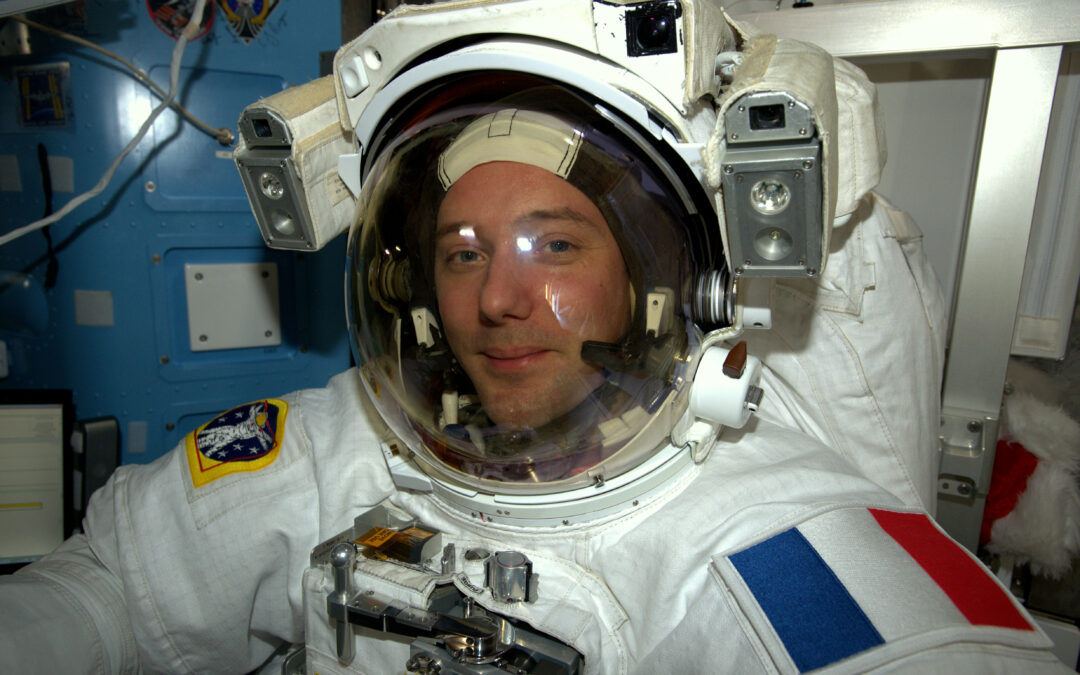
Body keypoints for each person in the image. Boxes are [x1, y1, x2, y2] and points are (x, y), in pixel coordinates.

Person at [0, 1, 1068, 673]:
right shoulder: (344, 447)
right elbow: (111, 591)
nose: (499, 300)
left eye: (554, 246)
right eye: (462, 252)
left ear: (653, 285)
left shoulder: (770, 534)